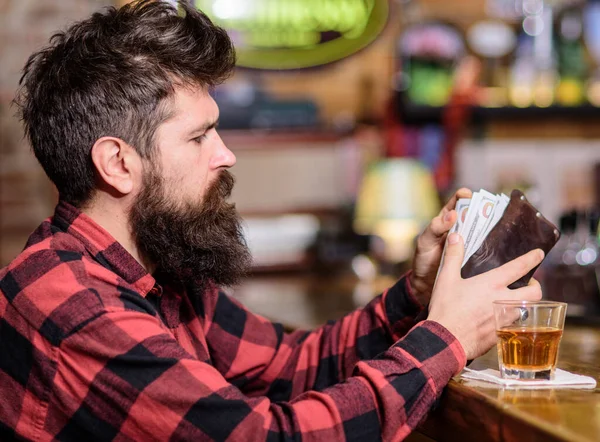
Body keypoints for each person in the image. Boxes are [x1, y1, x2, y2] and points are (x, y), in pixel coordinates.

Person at [0, 1, 543, 441]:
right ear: (119, 163)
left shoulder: (156, 266)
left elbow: (290, 366)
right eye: (198, 136)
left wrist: (415, 296)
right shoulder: (72, 303)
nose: (225, 154)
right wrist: (445, 337)